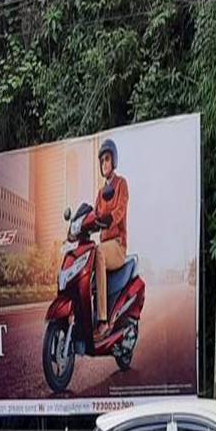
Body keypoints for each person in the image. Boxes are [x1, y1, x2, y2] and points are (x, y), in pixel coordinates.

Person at [93, 138, 130, 341]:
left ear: (113, 160)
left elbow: (120, 210)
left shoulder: (121, 184)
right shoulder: (100, 194)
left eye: (107, 159)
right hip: (104, 245)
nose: (104, 164)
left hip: (117, 245)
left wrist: (109, 219)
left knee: (97, 251)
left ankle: (103, 321)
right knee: (89, 252)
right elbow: (94, 214)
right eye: (102, 161)